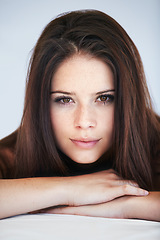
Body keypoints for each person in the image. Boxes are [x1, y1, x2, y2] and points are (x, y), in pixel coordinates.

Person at [0, 9, 160, 221]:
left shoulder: (155, 143)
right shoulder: (12, 155)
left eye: (104, 98)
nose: (84, 122)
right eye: (65, 100)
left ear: (126, 100)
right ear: (41, 102)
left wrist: (125, 205)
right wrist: (69, 189)